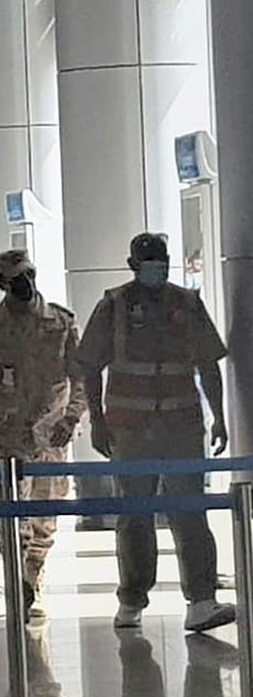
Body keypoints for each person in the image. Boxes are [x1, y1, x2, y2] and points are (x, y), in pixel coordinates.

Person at [77, 232, 236, 632]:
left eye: (161, 260)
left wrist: (218, 416)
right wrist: (96, 420)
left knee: (190, 512)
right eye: (148, 261)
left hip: (182, 426)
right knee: (135, 516)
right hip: (130, 431)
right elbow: (90, 365)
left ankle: (201, 599)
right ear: (133, 265)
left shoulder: (187, 302)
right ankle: (131, 599)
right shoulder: (113, 305)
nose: (156, 267)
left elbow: (209, 364)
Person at [0, 250, 86, 620]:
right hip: (7, 438)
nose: (26, 284)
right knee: (11, 516)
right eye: (16, 279)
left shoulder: (60, 323)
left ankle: (34, 573)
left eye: (29, 274)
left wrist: (72, 418)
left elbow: (80, 376)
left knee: (45, 517)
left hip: (51, 435)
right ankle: (17, 583)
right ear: (2, 284)